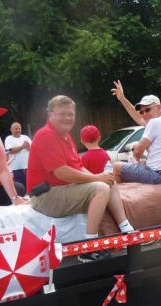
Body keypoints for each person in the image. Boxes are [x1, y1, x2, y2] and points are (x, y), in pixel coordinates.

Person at [27, 95, 134, 263]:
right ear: (50, 114)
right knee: (101, 187)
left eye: (70, 114)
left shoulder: (66, 137)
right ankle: (88, 247)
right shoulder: (46, 135)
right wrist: (96, 179)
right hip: (45, 196)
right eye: (62, 114)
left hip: (60, 190)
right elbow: (61, 173)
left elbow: (78, 167)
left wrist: (99, 177)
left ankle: (126, 229)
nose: (67, 118)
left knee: (108, 180)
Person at [111, 81, 161, 184]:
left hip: (159, 176)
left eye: (147, 110)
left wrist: (134, 159)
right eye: (142, 111)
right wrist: (122, 99)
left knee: (116, 167)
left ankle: (121, 198)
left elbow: (137, 152)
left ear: (159, 107)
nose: (144, 114)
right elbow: (139, 118)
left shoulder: (154, 122)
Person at [4, 122, 31, 190]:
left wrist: (28, 147)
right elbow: (10, 150)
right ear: (11, 130)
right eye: (16, 128)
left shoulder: (26, 137)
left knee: (30, 188)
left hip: (28, 168)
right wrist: (22, 147)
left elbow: (33, 149)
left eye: (19, 128)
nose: (18, 130)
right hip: (15, 169)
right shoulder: (9, 139)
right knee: (20, 189)